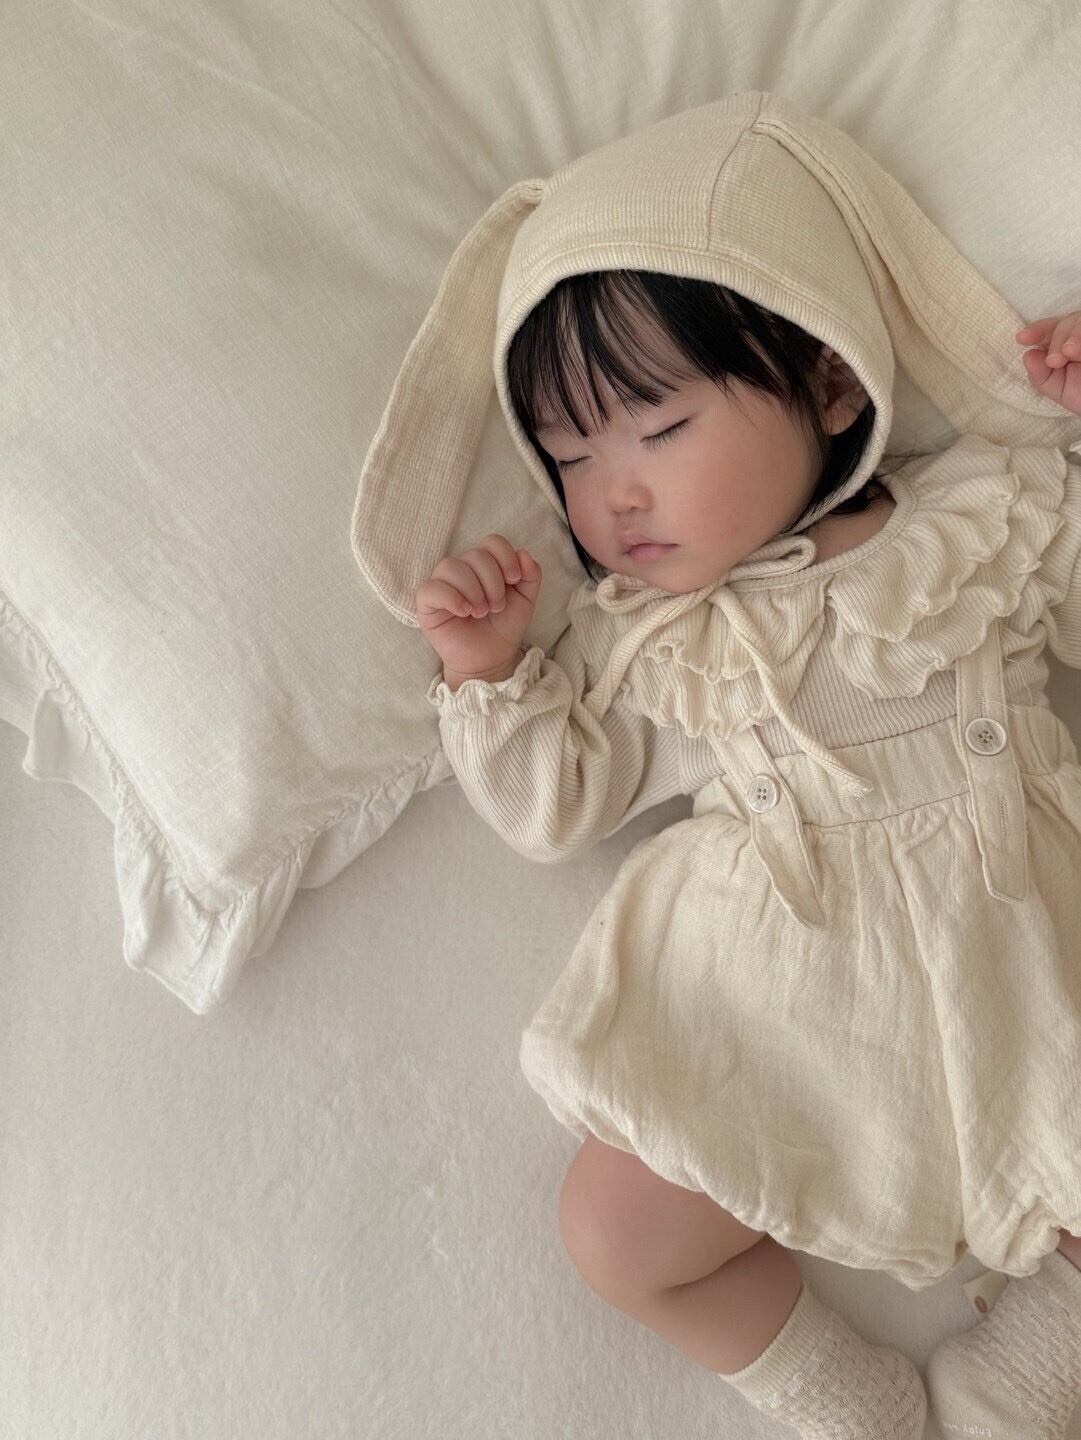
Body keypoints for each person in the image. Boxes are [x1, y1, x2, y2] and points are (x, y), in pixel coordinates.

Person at [352, 92, 1081, 1439]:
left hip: (1031, 958)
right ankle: (848, 1401)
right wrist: (490, 671)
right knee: (613, 1228)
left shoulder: (988, 518)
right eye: (567, 457)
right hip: (798, 1013)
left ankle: (1035, 1374)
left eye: (658, 429)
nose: (610, 495)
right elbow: (556, 809)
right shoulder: (659, 643)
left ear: (831, 380)